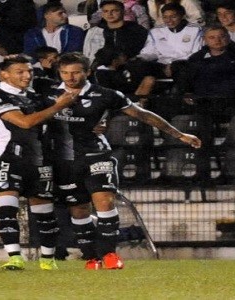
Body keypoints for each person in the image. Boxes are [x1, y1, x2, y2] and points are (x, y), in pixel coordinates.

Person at [48, 52, 200, 270]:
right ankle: (92, 257)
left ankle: (110, 254)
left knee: (105, 201)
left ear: (87, 72)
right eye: (64, 73)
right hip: (66, 160)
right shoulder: (49, 94)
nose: (70, 77)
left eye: (75, 72)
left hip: (96, 154)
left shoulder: (106, 95)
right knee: (78, 210)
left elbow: (142, 114)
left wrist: (180, 135)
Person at [0, 54, 78, 270]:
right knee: (7, 208)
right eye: (20, 72)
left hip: (39, 160)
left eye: (30, 71)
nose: (27, 76)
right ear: (3, 75)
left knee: (45, 213)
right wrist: (58, 106)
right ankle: (15, 257)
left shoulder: (36, 97)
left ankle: (47, 260)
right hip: (7, 159)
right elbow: (24, 122)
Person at [137, 3, 203, 80]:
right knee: (137, 65)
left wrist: (173, 64)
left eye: (173, 17)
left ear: (182, 16)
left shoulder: (195, 30)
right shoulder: (156, 31)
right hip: (162, 65)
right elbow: (150, 52)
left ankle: (177, 91)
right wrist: (140, 58)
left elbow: (196, 54)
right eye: (165, 17)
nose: (169, 20)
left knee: (181, 68)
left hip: (183, 65)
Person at [83, 0, 148, 64]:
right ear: (102, 14)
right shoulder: (95, 31)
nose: (110, 14)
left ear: (123, 12)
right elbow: (88, 54)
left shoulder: (137, 30)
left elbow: (143, 52)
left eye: (114, 10)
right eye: (105, 11)